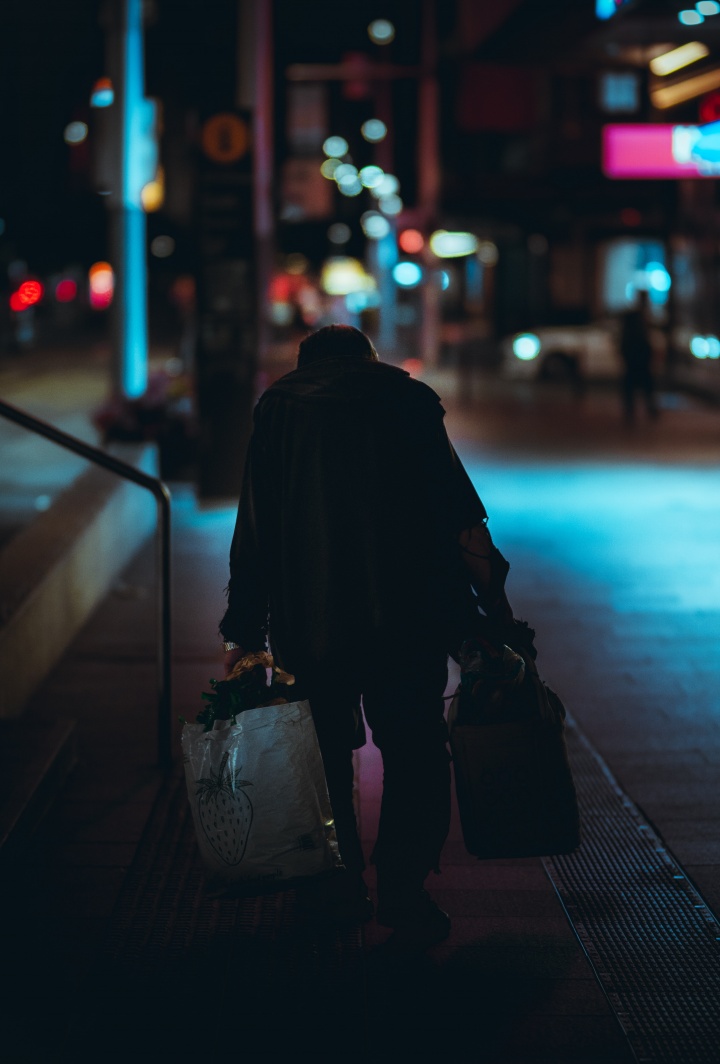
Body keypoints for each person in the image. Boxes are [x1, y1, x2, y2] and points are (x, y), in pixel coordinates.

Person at [219, 324, 519, 948]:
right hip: (409, 622)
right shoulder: (409, 401)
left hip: (312, 623)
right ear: (369, 361)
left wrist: (244, 632)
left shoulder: (279, 408)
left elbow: (257, 530)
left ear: (306, 366)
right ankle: (404, 891)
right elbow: (463, 520)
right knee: (414, 756)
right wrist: (495, 613)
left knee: (322, 759)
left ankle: (336, 888)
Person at [619, 290, 658, 424]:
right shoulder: (634, 316)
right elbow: (627, 337)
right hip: (635, 355)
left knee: (642, 384)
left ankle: (645, 411)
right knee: (636, 384)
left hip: (639, 355)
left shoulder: (643, 316)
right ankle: (633, 412)